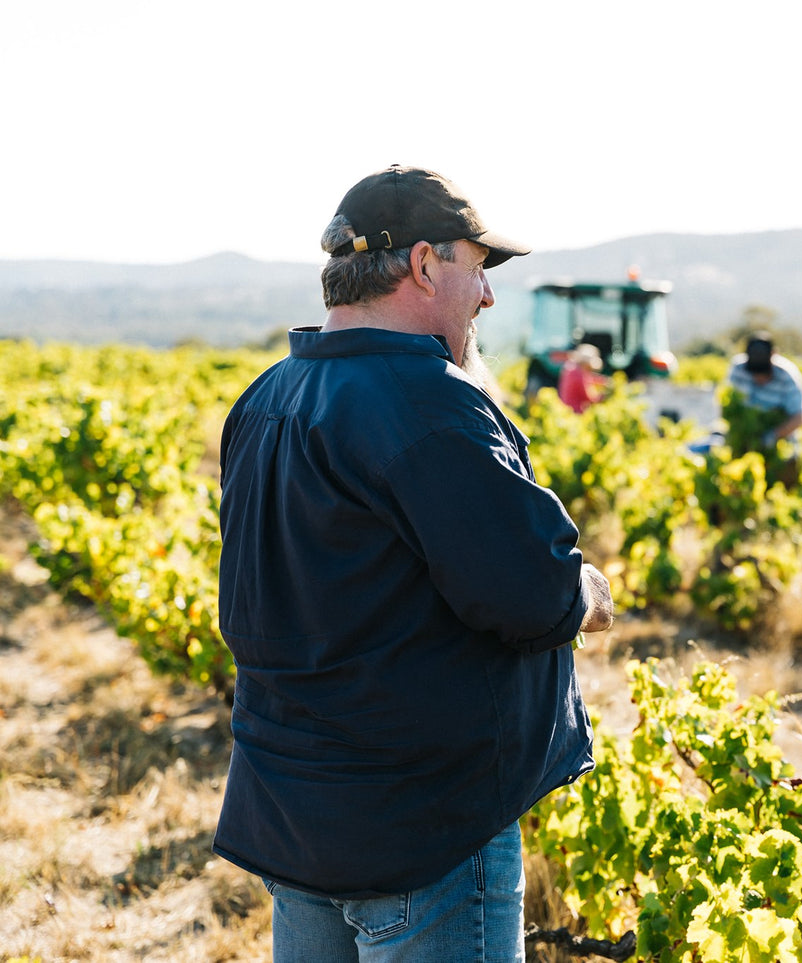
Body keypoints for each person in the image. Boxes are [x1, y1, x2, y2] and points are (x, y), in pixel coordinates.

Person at [213, 164, 615, 963]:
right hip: (419, 824)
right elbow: (528, 593)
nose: (489, 297)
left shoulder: (267, 396)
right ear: (426, 264)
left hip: (296, 812)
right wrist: (588, 591)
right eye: (477, 267)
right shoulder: (427, 400)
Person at [725, 332, 802, 449]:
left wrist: (771, 437)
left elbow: (799, 418)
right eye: (754, 373)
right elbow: (729, 404)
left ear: (773, 356)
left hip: (781, 439)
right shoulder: (738, 369)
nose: (759, 379)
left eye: (763, 373)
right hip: (744, 436)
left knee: (789, 458)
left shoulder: (787, 376)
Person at [557, 342, 608, 413]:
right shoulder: (577, 374)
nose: (590, 370)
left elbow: (589, 378)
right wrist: (604, 396)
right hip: (574, 412)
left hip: (566, 409)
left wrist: (601, 380)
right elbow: (589, 398)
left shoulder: (572, 368)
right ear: (585, 364)